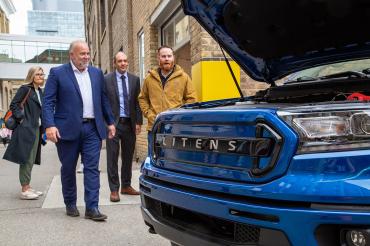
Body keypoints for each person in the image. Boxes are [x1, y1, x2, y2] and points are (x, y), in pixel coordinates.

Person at [42, 40, 115, 221]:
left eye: (88, 53)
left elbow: (103, 100)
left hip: (92, 128)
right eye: (82, 53)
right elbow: (48, 102)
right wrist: (49, 125)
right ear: (71, 55)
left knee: (92, 168)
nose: (86, 57)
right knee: (68, 168)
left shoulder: (97, 73)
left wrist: (110, 122)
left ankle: (92, 207)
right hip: (66, 129)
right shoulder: (57, 73)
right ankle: (70, 203)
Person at [138, 45, 197, 153]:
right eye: (163, 56)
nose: (166, 59)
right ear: (158, 58)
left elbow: (192, 99)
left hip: (176, 128)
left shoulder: (184, 77)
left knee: (174, 158)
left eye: (169, 56)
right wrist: (149, 114)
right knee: (154, 158)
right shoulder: (149, 79)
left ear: (173, 58)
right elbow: (142, 98)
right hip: (155, 127)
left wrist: (180, 115)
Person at [104, 51, 143, 202]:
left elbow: (137, 103)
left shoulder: (134, 80)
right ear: (115, 63)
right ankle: (114, 189)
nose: (123, 63)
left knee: (128, 157)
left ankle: (126, 186)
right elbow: (104, 102)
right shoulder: (107, 79)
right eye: (120, 61)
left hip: (129, 124)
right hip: (113, 124)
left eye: (125, 61)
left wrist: (138, 122)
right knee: (112, 157)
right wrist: (107, 122)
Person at [3, 66, 45, 200]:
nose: (41, 77)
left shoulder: (40, 92)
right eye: (38, 74)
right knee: (26, 158)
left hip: (36, 128)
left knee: (32, 159)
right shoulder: (25, 89)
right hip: (26, 128)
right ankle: (25, 189)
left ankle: (28, 185)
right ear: (32, 76)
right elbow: (14, 105)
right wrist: (22, 119)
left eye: (42, 74)